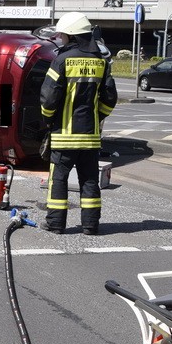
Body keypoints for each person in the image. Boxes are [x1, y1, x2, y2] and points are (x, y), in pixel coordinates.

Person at [40, 12, 118, 235]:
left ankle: (55, 223)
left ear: (71, 36)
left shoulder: (62, 60)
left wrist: (48, 121)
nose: (61, 38)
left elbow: (48, 98)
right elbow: (110, 98)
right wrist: (97, 117)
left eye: (63, 34)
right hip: (90, 138)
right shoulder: (101, 62)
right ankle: (90, 225)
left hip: (64, 135)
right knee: (90, 180)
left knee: (59, 180)